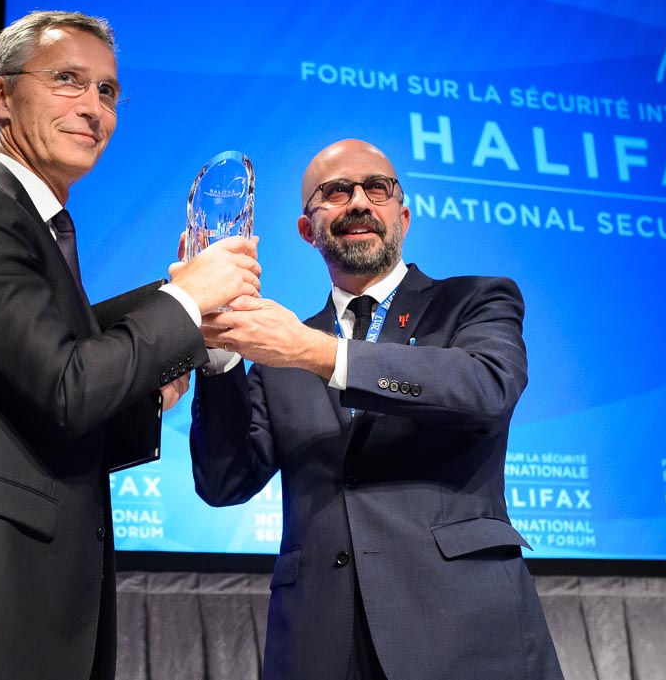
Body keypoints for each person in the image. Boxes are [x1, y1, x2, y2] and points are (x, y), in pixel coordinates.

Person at [0, 10, 259, 680]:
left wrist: (161, 360)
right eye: (68, 80)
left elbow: (43, 406)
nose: (93, 108)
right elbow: (67, 386)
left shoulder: (41, 232)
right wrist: (183, 301)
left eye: (108, 91)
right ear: (1, 96)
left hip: (23, 622)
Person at [190, 139, 563, 680]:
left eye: (376, 188)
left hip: (467, 633)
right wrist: (221, 352)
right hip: (320, 642)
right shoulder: (277, 350)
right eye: (336, 191)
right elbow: (224, 482)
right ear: (306, 229)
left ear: (402, 216)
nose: (359, 201)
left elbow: (487, 388)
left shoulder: (474, 302)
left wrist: (317, 353)